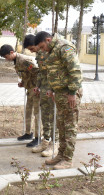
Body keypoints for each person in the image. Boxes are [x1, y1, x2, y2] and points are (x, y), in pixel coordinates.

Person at [34, 31, 83, 169]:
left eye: (43, 46)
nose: (43, 50)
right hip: (60, 94)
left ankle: (68, 159)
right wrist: (52, 89)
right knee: (61, 126)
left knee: (70, 127)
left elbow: (75, 70)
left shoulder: (64, 47)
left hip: (69, 94)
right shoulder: (53, 49)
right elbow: (54, 72)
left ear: (48, 40)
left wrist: (72, 92)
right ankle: (61, 155)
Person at [23, 35, 58, 157]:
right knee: (45, 116)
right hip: (44, 89)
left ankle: (55, 143)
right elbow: (42, 73)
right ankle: (46, 141)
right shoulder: (39, 54)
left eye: (33, 48)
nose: (32, 51)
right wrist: (38, 86)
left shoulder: (51, 52)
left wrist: (53, 89)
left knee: (53, 117)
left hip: (53, 89)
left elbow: (55, 72)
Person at [0, 44, 40, 147]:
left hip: (35, 89)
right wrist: (23, 82)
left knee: (37, 113)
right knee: (28, 111)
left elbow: (37, 72)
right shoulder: (16, 61)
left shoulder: (24, 60)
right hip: (29, 88)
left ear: (11, 53)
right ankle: (28, 133)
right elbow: (26, 73)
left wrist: (38, 87)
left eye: (6, 56)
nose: (6, 59)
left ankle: (38, 137)